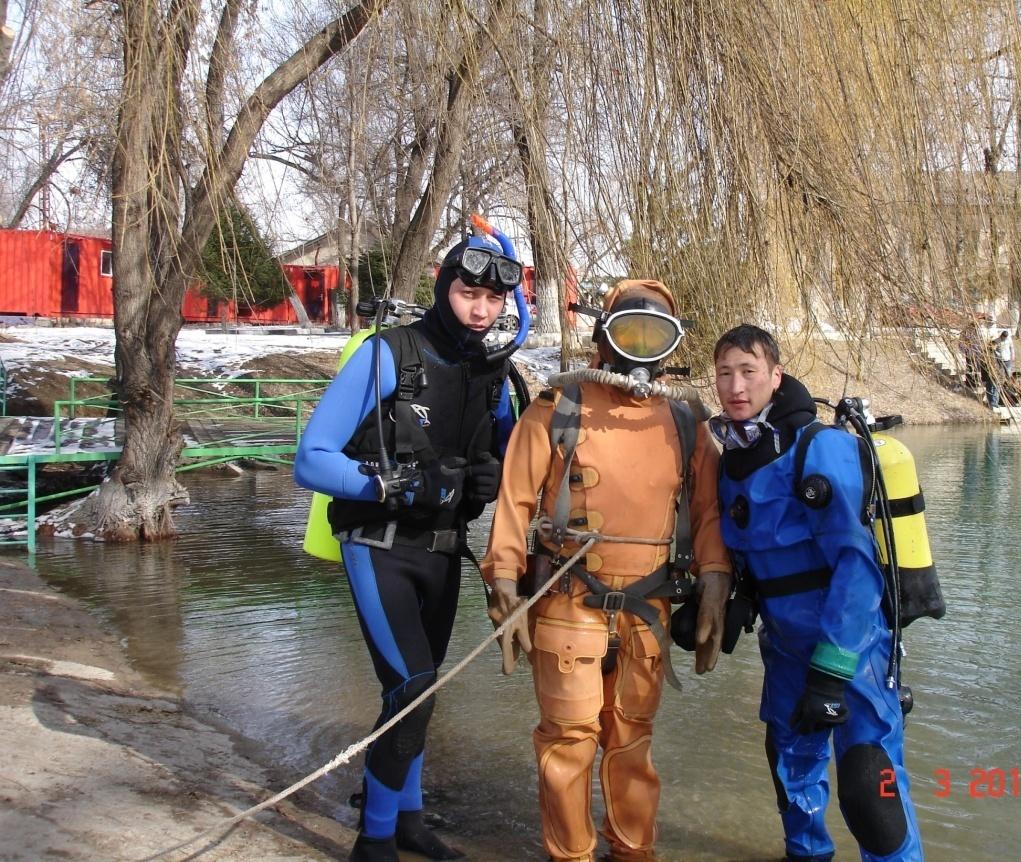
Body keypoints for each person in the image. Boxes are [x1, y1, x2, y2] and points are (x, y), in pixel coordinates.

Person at [482, 279, 732, 862]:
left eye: (655, 336)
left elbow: (708, 512)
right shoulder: (556, 409)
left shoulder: (686, 422)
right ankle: (569, 854)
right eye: (629, 333)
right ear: (603, 335)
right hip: (568, 602)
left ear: (672, 346)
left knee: (631, 741)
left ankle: (633, 852)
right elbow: (514, 503)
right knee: (569, 742)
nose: (639, 350)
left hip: (647, 614)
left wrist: (715, 584)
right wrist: (503, 588)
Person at [294, 231, 525, 862]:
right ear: (443, 287)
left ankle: (409, 821)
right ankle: (372, 842)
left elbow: (512, 458)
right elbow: (309, 460)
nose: (480, 310)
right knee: (413, 687)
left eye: (491, 299)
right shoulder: (387, 353)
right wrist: (394, 482)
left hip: (444, 549)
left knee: (419, 694)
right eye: (467, 292)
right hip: (378, 543)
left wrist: (494, 473)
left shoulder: (493, 372)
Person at [711, 324, 923, 862]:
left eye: (749, 372)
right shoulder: (732, 459)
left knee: (868, 783)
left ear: (776, 376)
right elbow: (750, 547)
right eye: (724, 374)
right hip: (784, 647)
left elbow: (857, 566)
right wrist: (736, 600)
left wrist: (832, 669)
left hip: (853, 648)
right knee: (791, 769)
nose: (736, 386)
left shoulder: (820, 449)